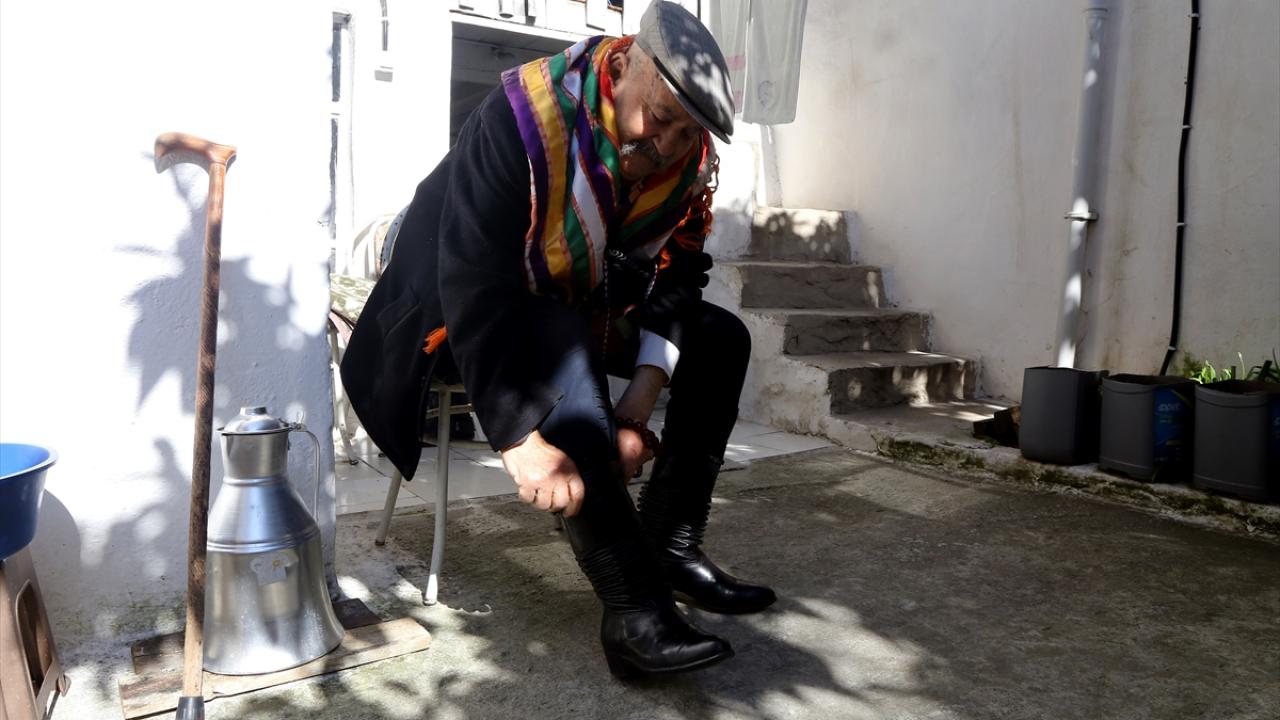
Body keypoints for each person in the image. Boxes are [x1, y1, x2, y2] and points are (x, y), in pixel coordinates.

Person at [340, 1, 774, 678]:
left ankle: (671, 547)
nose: (667, 146)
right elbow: (472, 280)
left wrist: (636, 409)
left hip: (573, 302)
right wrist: (519, 442)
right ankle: (633, 612)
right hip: (451, 315)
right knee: (564, 339)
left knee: (721, 339)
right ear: (624, 67)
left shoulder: (686, 162)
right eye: (659, 119)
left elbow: (678, 275)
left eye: (687, 133)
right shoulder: (522, 118)